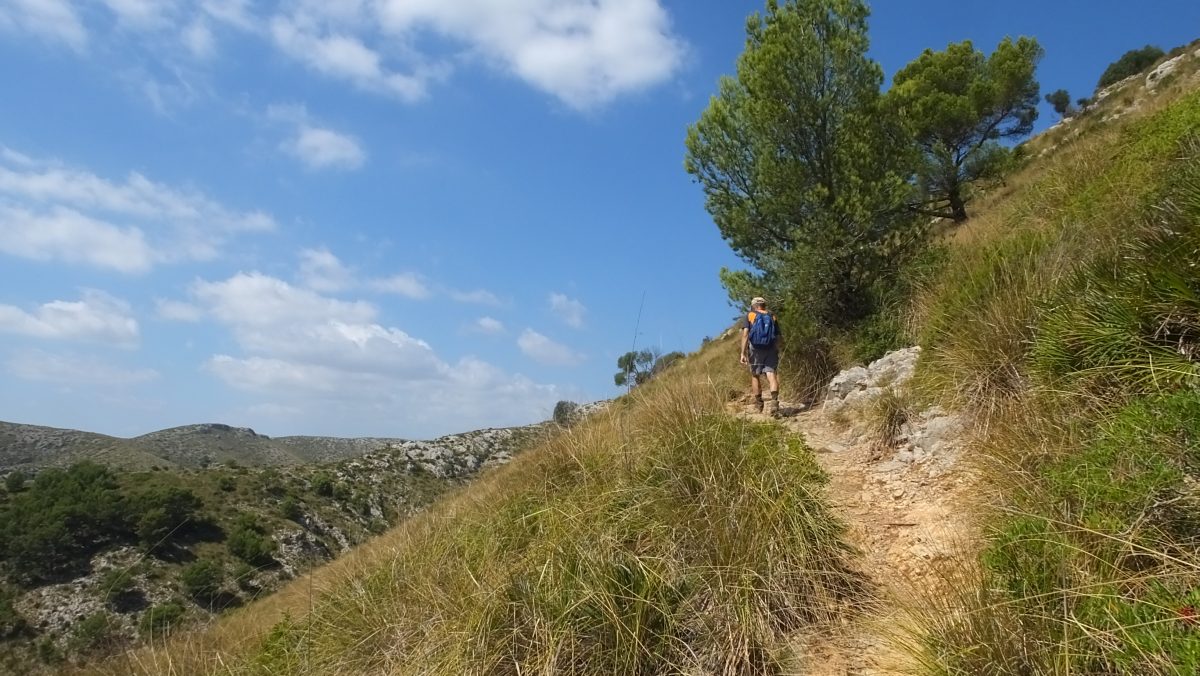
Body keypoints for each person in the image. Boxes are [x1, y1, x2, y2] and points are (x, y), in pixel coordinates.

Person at [738, 296, 781, 416]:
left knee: (755, 375)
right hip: (770, 348)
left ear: (754, 305)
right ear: (764, 305)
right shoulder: (772, 315)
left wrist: (742, 353)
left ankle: (759, 404)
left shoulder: (750, 315)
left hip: (755, 349)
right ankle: (774, 403)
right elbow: (777, 336)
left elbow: (746, 334)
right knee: (771, 374)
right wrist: (776, 349)